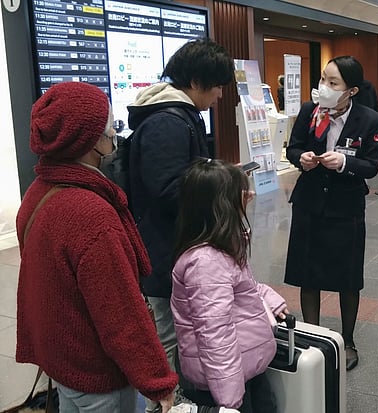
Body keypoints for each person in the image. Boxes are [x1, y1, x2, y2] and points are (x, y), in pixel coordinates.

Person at [15, 81, 178, 412]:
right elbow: (120, 312)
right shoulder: (91, 214)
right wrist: (157, 380)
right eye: (109, 130)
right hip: (98, 375)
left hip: (63, 362)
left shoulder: (38, 192)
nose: (114, 138)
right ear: (90, 141)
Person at [127, 38, 235, 413]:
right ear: (195, 80)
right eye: (216, 86)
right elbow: (169, 189)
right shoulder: (167, 122)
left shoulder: (179, 115)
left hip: (174, 246)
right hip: (163, 250)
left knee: (174, 329)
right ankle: (165, 404)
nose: (219, 95)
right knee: (167, 334)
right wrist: (221, 189)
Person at [284, 56, 378, 371]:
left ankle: (347, 341)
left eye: (332, 82)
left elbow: (371, 165)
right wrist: (303, 158)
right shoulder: (309, 111)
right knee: (308, 274)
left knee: (347, 278)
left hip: (346, 207)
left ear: (350, 91)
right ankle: (312, 337)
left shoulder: (368, 119)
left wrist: (344, 163)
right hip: (309, 203)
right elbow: (293, 148)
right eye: (323, 79)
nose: (323, 87)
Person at [171, 158, 288, 412]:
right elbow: (215, 335)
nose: (250, 196)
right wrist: (229, 403)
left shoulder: (221, 247)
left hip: (243, 369)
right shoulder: (205, 263)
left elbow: (240, 287)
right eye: (242, 193)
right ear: (221, 206)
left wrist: (268, 298)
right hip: (226, 384)